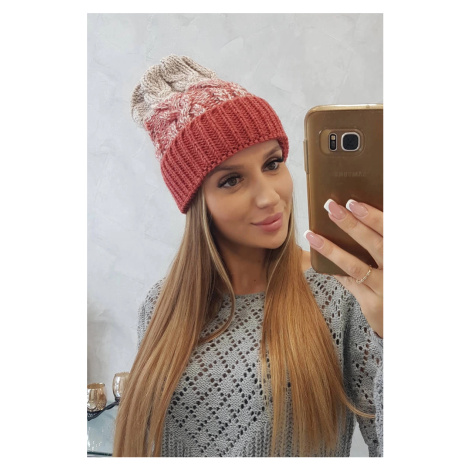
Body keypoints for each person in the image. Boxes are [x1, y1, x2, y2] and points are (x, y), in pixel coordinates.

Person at [113, 55, 383, 457]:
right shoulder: (158, 306)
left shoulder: (343, 293)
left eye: (273, 164)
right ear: (195, 202)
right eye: (231, 180)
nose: (269, 197)